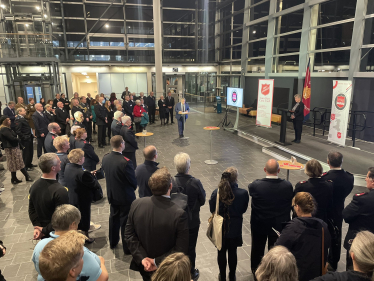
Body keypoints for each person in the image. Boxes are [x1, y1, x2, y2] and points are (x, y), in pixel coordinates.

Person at [125, 167, 189, 281]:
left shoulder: (136, 204)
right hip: (166, 269)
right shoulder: (179, 214)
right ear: (170, 186)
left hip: (144, 266)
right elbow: (180, 248)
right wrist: (156, 262)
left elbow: (129, 235)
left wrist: (143, 258)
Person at [32, 205, 109, 281]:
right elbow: (102, 278)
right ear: (73, 224)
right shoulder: (76, 251)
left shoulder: (39, 245)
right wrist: (101, 261)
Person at [248, 159, 293, 275]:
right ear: (279, 170)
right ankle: (274, 272)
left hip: (260, 224)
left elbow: (250, 190)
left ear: (264, 170)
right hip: (278, 225)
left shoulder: (256, 185)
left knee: (257, 249)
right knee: (276, 250)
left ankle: (256, 271)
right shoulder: (287, 186)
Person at [275, 192, 331, 281]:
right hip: (317, 273)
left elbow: (278, 248)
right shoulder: (323, 225)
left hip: (297, 274)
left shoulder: (293, 226)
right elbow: (326, 244)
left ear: (297, 207)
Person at [209, 167, 249, 281]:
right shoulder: (243, 193)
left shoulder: (216, 193)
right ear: (236, 179)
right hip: (235, 228)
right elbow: (243, 209)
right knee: (233, 252)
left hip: (220, 228)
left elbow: (212, 208)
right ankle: (232, 275)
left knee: (221, 252)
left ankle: (222, 275)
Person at [172, 152, 206, 280]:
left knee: (177, 247)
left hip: (175, 222)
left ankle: (178, 272)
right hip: (192, 222)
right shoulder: (195, 182)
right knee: (191, 248)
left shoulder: (172, 182)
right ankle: (191, 272)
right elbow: (202, 200)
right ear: (189, 166)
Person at [102, 135, 137, 253]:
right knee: (126, 221)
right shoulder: (126, 162)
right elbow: (133, 181)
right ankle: (127, 248)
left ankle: (113, 241)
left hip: (112, 194)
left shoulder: (106, 158)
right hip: (125, 196)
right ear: (122, 144)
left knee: (113, 218)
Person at [321, 151, 354, 271]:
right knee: (337, 236)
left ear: (328, 162)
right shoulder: (349, 177)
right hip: (339, 210)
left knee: (324, 235)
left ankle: (322, 260)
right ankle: (333, 262)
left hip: (326, 210)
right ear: (342, 161)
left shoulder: (325, 178)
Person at [28, 153, 69, 240]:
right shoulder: (60, 191)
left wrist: (37, 227)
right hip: (57, 234)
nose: (61, 162)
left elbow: (32, 209)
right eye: (58, 161)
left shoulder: (34, 186)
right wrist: (44, 230)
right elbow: (61, 218)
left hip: (44, 234)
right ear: (53, 168)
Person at [342, 167, 374, 270]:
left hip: (359, 242)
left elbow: (346, 215)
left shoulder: (362, 199)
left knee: (353, 271)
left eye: (367, 177)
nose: (365, 179)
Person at [65, 149, 100, 243]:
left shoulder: (68, 167)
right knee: (84, 217)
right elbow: (94, 184)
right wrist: (92, 176)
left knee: (77, 218)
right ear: (80, 159)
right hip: (82, 199)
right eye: (83, 157)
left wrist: (89, 174)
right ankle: (85, 237)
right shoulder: (82, 173)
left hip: (72, 196)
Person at [294, 159, 333, 223]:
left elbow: (295, 204)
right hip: (321, 220)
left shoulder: (301, 186)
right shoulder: (329, 185)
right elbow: (329, 205)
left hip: (303, 220)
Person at [0, 115, 32, 184]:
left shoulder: (7, 128)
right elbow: (11, 137)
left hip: (13, 147)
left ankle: (14, 178)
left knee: (13, 163)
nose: (10, 121)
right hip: (11, 148)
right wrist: (18, 139)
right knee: (18, 162)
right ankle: (27, 176)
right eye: (8, 120)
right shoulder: (4, 129)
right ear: (4, 122)